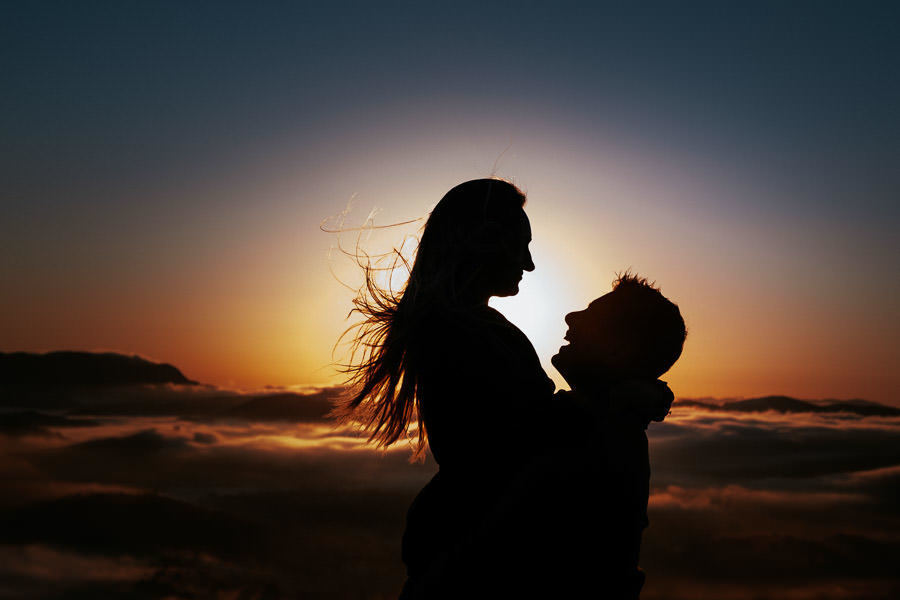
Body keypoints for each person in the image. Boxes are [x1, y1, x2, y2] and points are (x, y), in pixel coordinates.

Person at [403, 273, 686, 598]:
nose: (571, 317)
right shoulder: (585, 422)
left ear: (618, 348)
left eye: (594, 316)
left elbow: (500, 547)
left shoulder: (589, 441)